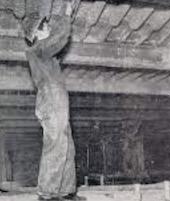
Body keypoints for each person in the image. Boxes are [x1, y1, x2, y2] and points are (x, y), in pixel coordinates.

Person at [23, 1, 85, 200]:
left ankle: (65, 191)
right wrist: (65, 16)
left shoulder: (44, 55)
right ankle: (47, 193)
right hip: (51, 98)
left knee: (66, 143)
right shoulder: (38, 50)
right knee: (57, 143)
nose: (48, 27)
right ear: (36, 33)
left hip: (55, 97)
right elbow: (59, 39)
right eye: (44, 26)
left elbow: (56, 39)